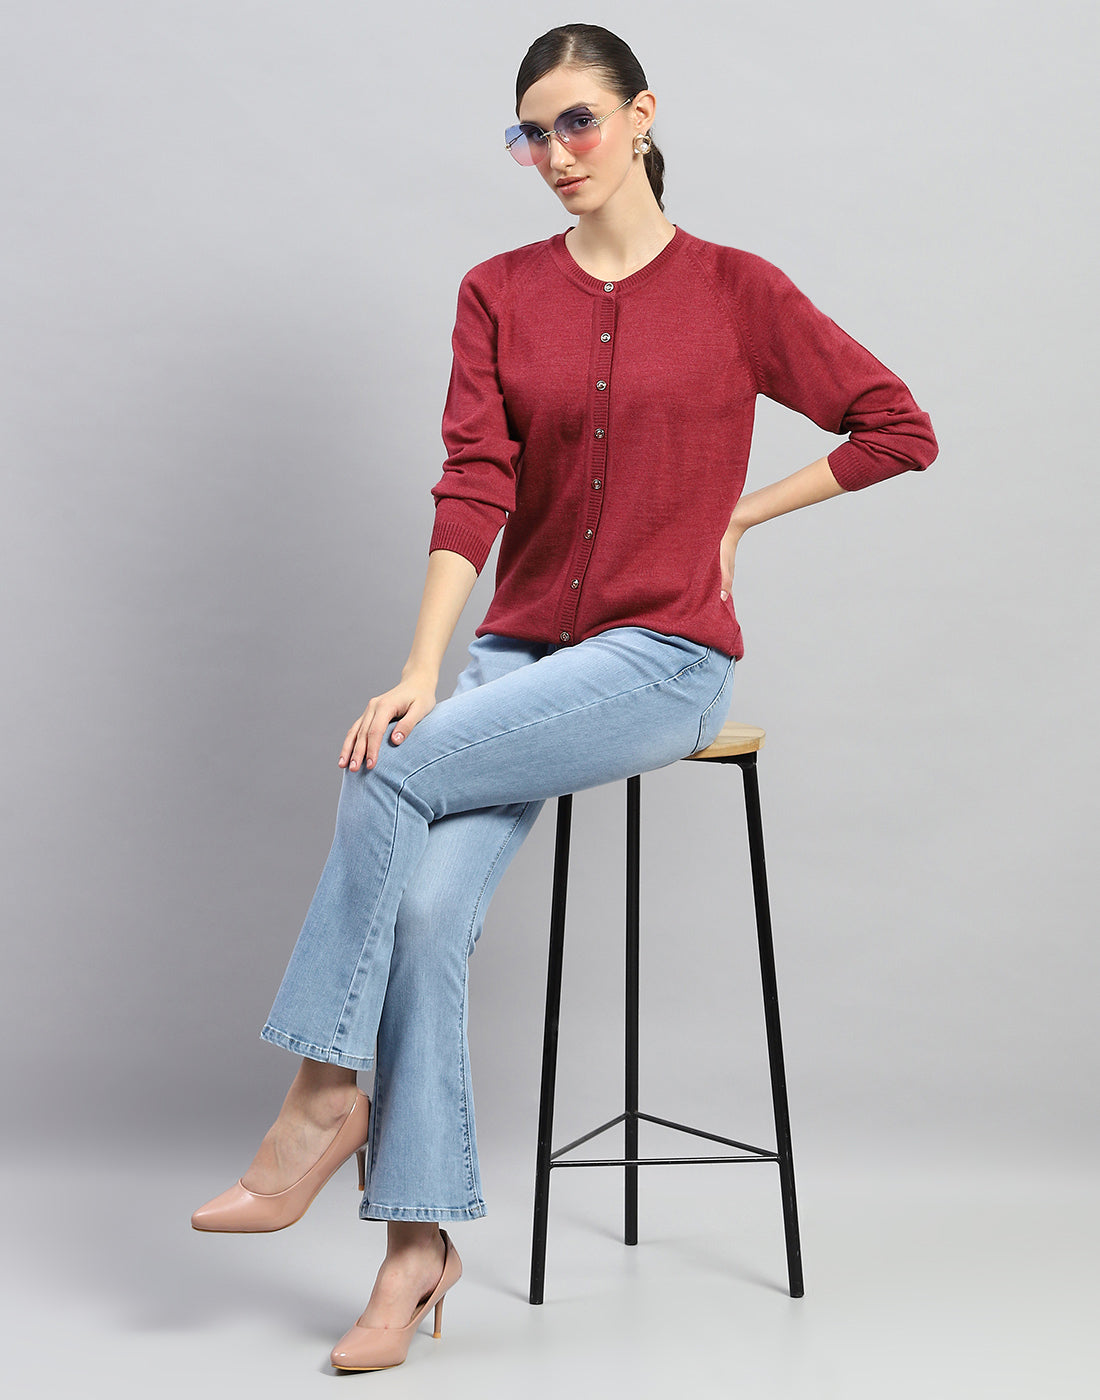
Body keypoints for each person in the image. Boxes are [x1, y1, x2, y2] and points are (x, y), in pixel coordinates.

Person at [190, 22, 937, 1372]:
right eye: (532, 134)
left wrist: (740, 516)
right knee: (423, 911)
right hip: (516, 662)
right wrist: (425, 666)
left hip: (663, 663)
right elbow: (474, 483)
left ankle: (318, 1096)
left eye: (578, 121)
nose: (556, 153)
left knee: (384, 772)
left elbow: (898, 427)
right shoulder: (497, 292)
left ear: (644, 114)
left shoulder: (738, 290)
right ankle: (414, 1252)